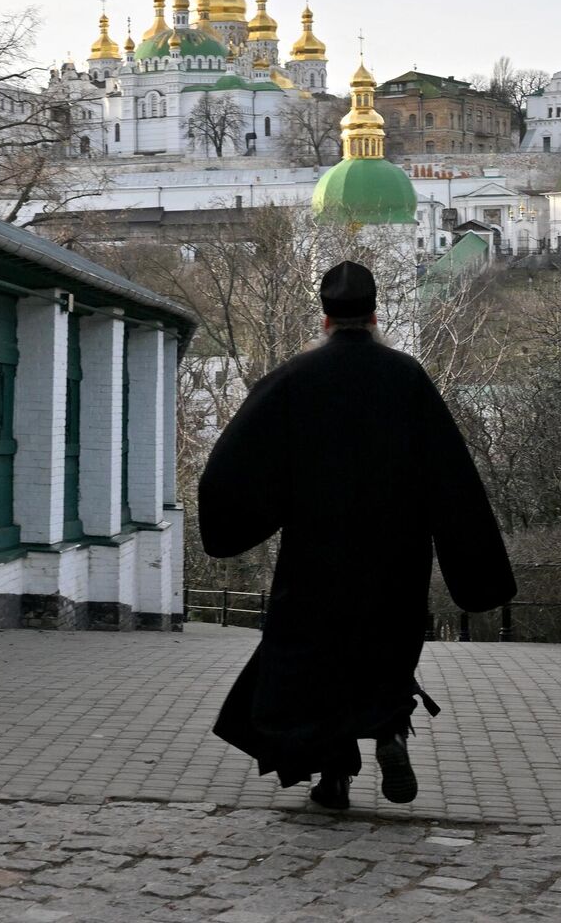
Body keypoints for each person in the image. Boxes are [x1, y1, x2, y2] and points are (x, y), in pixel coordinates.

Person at [199, 260, 513, 809]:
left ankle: (333, 778)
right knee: (384, 649)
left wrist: (257, 513)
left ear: (325, 320)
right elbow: (451, 476)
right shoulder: (406, 377)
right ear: (374, 316)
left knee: (314, 662)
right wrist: (476, 568)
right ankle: (390, 729)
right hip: (396, 557)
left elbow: (232, 464)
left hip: (315, 556)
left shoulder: (293, 380)